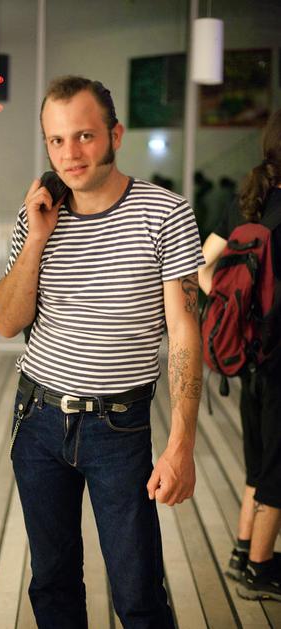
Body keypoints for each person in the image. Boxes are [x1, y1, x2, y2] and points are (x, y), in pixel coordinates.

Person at [0, 75, 204, 628]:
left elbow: (184, 332)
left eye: (84, 136)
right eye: (56, 141)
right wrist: (38, 238)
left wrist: (182, 444)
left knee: (138, 595)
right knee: (52, 584)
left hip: (119, 428)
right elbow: (7, 321)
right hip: (37, 420)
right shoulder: (37, 215)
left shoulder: (165, 213)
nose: (70, 154)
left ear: (115, 135)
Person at [198, 109, 281, 602]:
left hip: (250, 357)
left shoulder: (249, 198)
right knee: (277, 468)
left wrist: (232, 312)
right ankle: (259, 569)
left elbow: (200, 267)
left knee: (258, 461)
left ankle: (242, 551)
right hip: (279, 359)